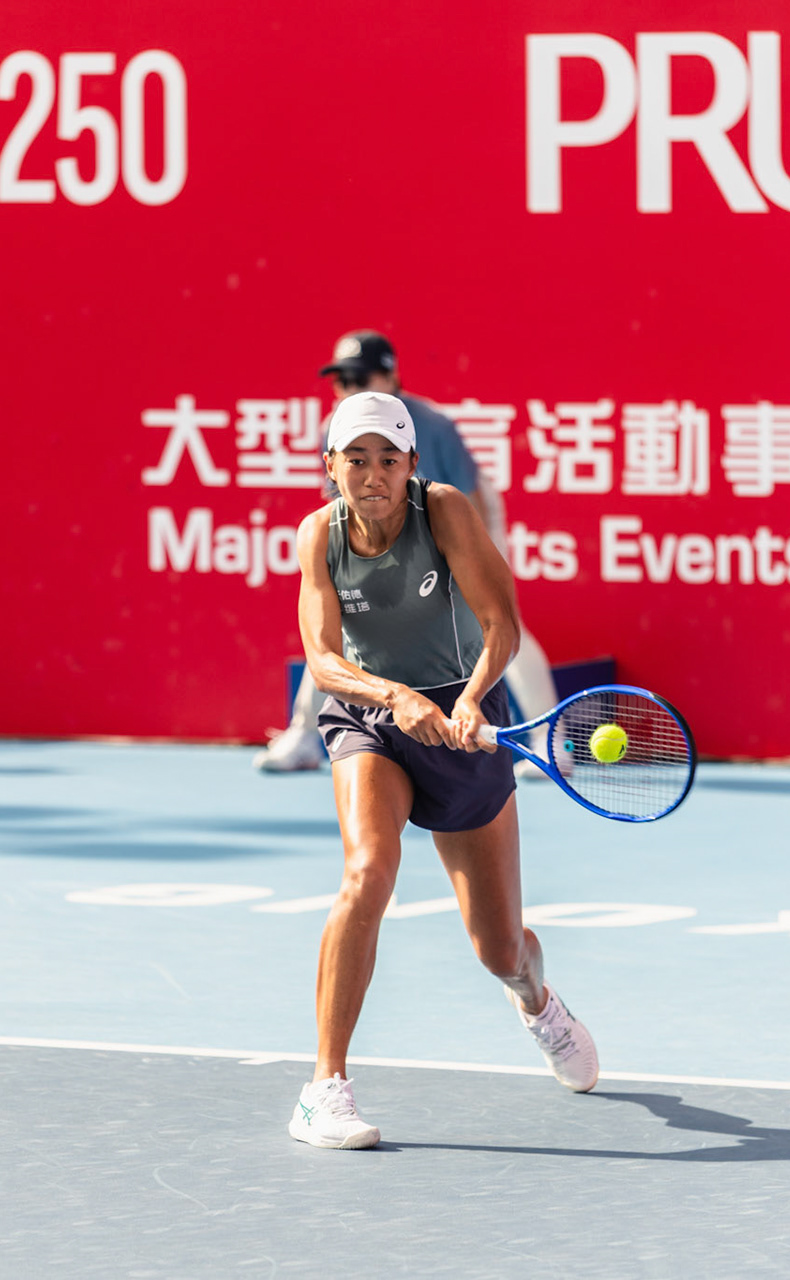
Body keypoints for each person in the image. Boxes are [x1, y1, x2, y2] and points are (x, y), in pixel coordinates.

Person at [286, 391, 598, 1150]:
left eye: (387, 460)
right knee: (368, 872)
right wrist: (396, 698)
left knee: (499, 949)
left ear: (411, 466)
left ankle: (538, 1003)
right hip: (369, 717)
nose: (372, 475)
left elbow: (502, 625)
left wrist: (467, 700)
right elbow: (323, 660)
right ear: (330, 467)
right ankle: (324, 1089)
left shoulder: (446, 510)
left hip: (461, 716)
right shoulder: (319, 535)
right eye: (355, 459)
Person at [254, 330, 561, 776]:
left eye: (361, 378)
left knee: (493, 621)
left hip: (457, 518)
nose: (350, 388)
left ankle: (549, 740)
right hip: (388, 526)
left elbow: (470, 500)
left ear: (392, 377)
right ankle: (304, 734)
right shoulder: (334, 430)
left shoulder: (433, 426)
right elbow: (343, 510)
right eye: (342, 380)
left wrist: (460, 568)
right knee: (342, 624)